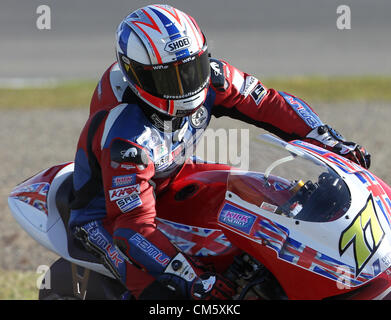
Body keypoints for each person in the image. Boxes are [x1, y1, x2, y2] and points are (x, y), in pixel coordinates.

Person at [68, 4, 370, 300]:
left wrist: (327, 138)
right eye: (168, 78)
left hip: (172, 172)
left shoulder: (212, 76)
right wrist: (191, 278)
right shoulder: (127, 138)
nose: (186, 85)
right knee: (169, 293)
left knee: (276, 209)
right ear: (137, 76)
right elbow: (132, 228)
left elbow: (267, 102)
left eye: (191, 69)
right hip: (106, 216)